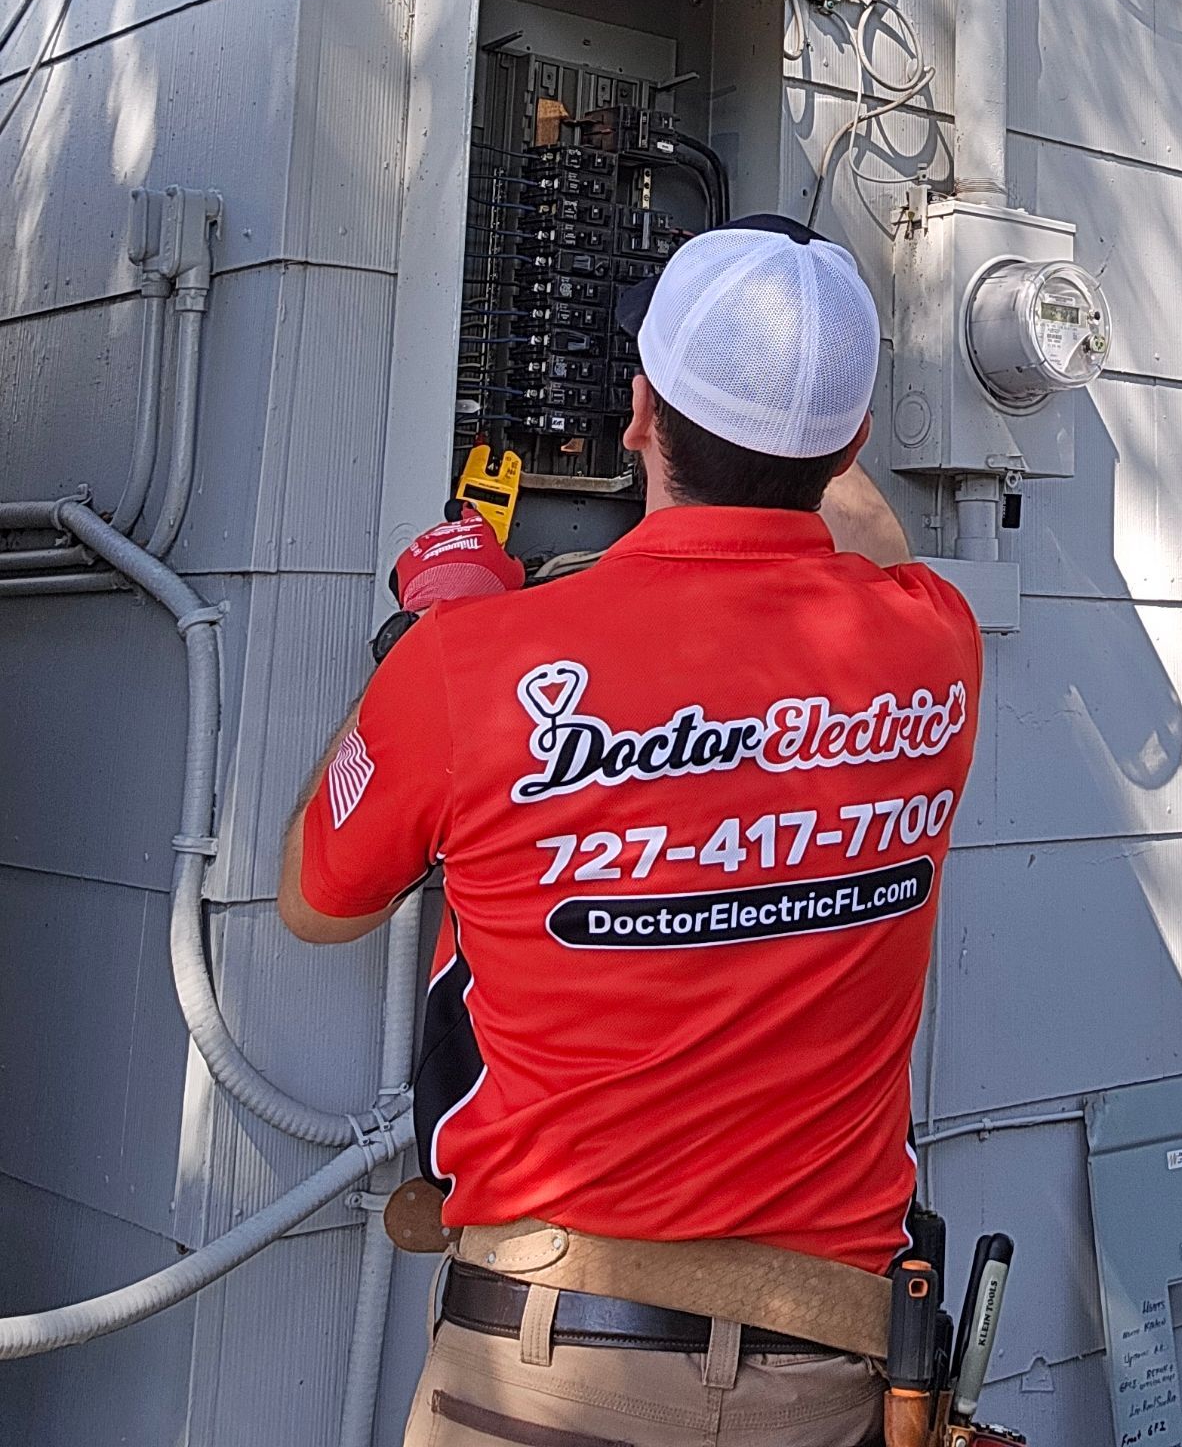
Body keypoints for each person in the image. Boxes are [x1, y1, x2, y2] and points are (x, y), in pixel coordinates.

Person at [279, 218, 982, 1447]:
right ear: (855, 443)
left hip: (546, 1373)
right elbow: (870, 541)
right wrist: (801, 361)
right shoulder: (933, 648)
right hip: (829, 1377)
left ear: (636, 411)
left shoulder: (471, 665)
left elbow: (314, 901)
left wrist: (436, 630)